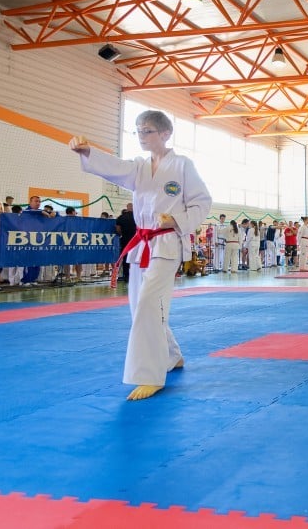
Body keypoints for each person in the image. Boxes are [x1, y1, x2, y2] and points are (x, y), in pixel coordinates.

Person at [69, 109, 212, 401]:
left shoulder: (183, 165)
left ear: (165, 133)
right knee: (141, 307)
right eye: (138, 131)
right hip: (141, 245)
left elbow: (202, 202)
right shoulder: (138, 166)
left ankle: (150, 374)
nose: (141, 136)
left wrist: (176, 221)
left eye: (147, 130)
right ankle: (172, 355)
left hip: (167, 244)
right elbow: (114, 166)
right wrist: (87, 152)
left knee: (148, 304)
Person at [115, 203, 137, 283]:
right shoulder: (137, 216)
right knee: (137, 258)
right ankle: (136, 275)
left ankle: (126, 276)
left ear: (127, 208)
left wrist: (122, 234)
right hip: (136, 240)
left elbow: (118, 229)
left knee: (125, 258)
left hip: (125, 239)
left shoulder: (121, 217)